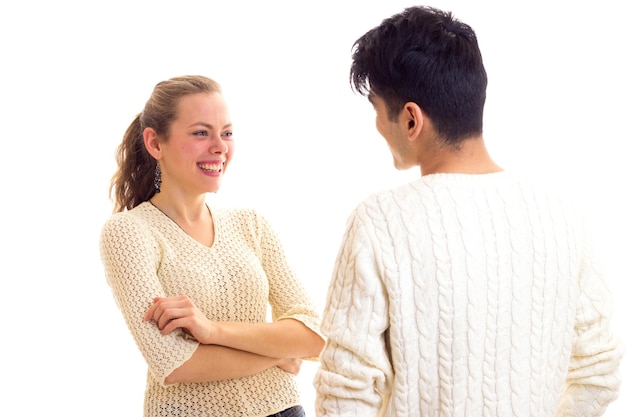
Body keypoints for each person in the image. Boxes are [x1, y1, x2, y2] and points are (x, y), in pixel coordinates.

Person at [313, 6, 622, 417]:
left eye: (376, 110)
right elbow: (599, 371)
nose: (376, 125)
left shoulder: (380, 222)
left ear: (410, 120)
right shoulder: (562, 215)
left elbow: (345, 395)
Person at [99, 75, 324, 417]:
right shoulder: (129, 232)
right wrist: (278, 353)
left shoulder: (251, 224)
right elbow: (175, 364)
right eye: (201, 132)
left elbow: (312, 335)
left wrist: (211, 330)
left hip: (284, 410)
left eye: (227, 132)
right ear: (155, 143)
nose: (220, 146)